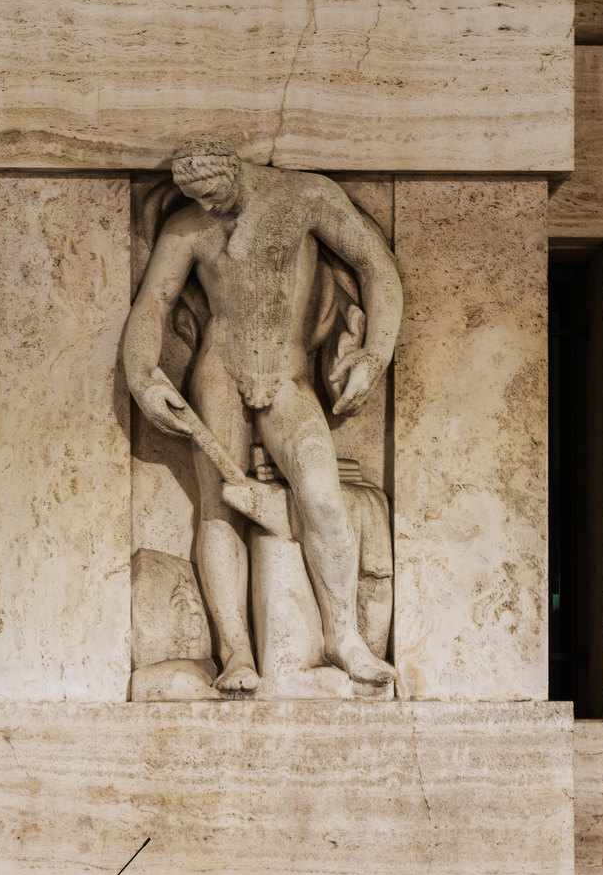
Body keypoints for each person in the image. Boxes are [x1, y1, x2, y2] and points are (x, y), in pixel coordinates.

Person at [120, 141, 403, 693]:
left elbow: (376, 265)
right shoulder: (187, 226)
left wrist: (375, 354)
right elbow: (153, 303)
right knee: (218, 509)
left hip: (288, 375)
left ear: (234, 169)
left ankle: (344, 637)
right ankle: (236, 654)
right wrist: (143, 377)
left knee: (322, 496)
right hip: (219, 371)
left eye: (212, 194)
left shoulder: (305, 196)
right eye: (196, 198)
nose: (207, 207)